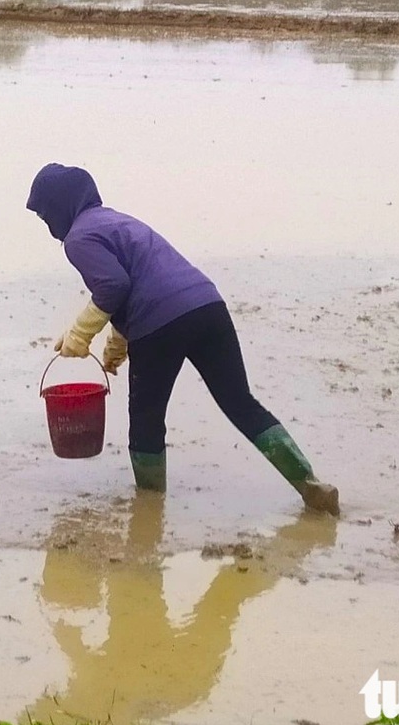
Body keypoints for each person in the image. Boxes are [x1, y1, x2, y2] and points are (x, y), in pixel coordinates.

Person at [27, 162, 340, 516]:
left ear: (59, 206)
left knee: (146, 421)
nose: (48, 224)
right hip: (208, 307)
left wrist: (79, 335)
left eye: (45, 214)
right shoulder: (118, 221)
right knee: (240, 402)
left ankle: (149, 512)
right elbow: (146, 280)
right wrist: (118, 343)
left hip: (158, 326)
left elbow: (114, 286)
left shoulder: (78, 238)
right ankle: (311, 485)